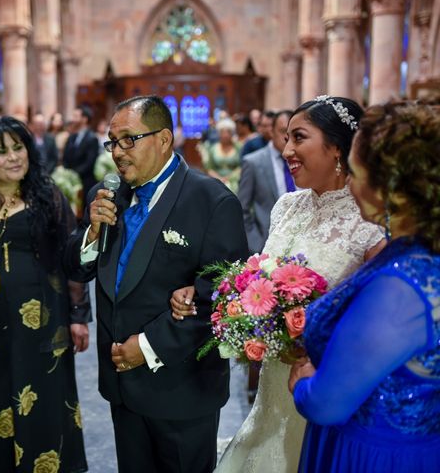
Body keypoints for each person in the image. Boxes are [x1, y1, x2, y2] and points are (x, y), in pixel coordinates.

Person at [171, 96, 384, 472]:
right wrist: (243, 310)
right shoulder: (287, 206)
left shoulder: (368, 223)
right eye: (285, 138)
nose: (286, 149)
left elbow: (377, 325)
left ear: (337, 147)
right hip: (272, 384)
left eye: (298, 137)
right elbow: (260, 281)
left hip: (321, 384)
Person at [64, 95, 249, 472]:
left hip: (180, 387)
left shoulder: (211, 201)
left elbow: (219, 298)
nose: (118, 152)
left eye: (129, 139)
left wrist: (147, 346)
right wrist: (91, 232)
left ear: (164, 139)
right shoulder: (110, 193)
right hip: (122, 384)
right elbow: (76, 267)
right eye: (112, 142)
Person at [289, 99, 440, 472]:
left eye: (354, 173)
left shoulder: (399, 287)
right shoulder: (411, 250)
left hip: (375, 454)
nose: (349, 184)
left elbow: (327, 403)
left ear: (393, 189)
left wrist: (304, 384)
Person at [0, 116, 89, 473]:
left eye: (18, 147)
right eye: (0, 152)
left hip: (43, 329)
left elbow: (69, 258)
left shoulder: (48, 197)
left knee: (43, 409)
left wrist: (78, 316)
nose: (13, 157)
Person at [238, 110, 292, 254]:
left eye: (292, 133)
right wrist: (256, 243)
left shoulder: (301, 161)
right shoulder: (253, 162)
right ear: (271, 131)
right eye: (282, 131)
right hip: (265, 245)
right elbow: (241, 208)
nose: (287, 137)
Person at [63, 105, 100, 198]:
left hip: (85, 181)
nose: (72, 119)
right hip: (70, 181)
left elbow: (90, 162)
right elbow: (66, 157)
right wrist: (67, 173)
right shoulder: (72, 137)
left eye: (76, 116)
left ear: (84, 119)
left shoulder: (92, 138)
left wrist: (75, 174)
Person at [199, 118, 241, 193]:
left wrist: (229, 178)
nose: (225, 135)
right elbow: (209, 168)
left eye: (228, 132)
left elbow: (241, 167)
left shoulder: (238, 147)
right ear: (218, 133)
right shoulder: (213, 148)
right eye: (222, 132)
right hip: (216, 180)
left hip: (235, 181)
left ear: (232, 134)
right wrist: (219, 178)